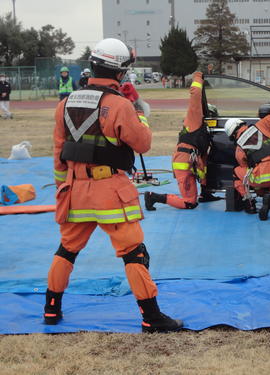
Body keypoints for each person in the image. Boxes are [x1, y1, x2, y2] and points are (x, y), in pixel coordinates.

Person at [45, 38, 183, 333]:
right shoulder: (119, 105)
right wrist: (140, 112)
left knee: (67, 250)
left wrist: (62, 191)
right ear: (120, 72)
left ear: (92, 65)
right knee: (134, 252)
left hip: (74, 191)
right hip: (109, 191)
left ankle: (51, 309)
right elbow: (142, 144)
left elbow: (59, 154)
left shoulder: (64, 104)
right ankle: (152, 317)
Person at [144, 71, 220, 211]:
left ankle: (205, 194)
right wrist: (198, 77)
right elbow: (195, 95)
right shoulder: (195, 119)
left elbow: (203, 161)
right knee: (190, 202)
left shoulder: (203, 132)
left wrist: (205, 188)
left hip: (189, 161)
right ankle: (153, 197)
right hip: (183, 163)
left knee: (205, 174)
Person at [224, 96, 270, 221]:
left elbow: (246, 172)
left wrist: (258, 189)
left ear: (233, 135)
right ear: (242, 124)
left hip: (261, 178)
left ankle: (249, 204)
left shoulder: (239, 150)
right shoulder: (263, 125)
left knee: (237, 172)